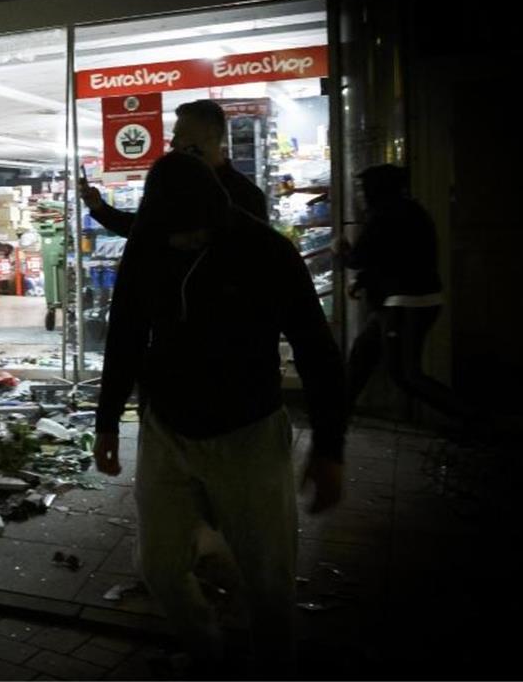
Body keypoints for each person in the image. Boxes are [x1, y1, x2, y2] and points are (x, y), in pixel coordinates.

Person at [93, 150, 346, 675]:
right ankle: (206, 652)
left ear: (216, 212)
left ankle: (273, 666)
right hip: (166, 428)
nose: (183, 242)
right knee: (159, 565)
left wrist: (329, 448)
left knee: (268, 578)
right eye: (174, 232)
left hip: (248, 431)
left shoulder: (265, 250)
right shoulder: (149, 241)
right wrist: (107, 421)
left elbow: (316, 350)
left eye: (194, 232)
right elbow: (125, 334)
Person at [337, 164, 473, 424]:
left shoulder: (384, 215)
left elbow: (359, 258)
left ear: (376, 189)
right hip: (408, 301)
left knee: (406, 375)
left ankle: (472, 418)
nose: (362, 195)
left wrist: (340, 249)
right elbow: (396, 256)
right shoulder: (412, 211)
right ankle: (338, 411)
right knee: (363, 353)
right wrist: (363, 281)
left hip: (405, 304)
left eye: (364, 189)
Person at [79, 99, 268, 235]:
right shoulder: (173, 187)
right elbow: (142, 229)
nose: (173, 143)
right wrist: (100, 208)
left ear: (210, 134)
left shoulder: (246, 195)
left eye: (182, 135)